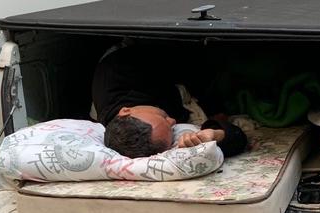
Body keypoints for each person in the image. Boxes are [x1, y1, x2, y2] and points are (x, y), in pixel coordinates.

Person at [91, 45, 247, 158]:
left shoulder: (120, 71)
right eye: (171, 128)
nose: (172, 120)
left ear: (126, 111)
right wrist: (215, 134)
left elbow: (193, 65)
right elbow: (238, 140)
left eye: (164, 118)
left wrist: (216, 113)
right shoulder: (144, 141)